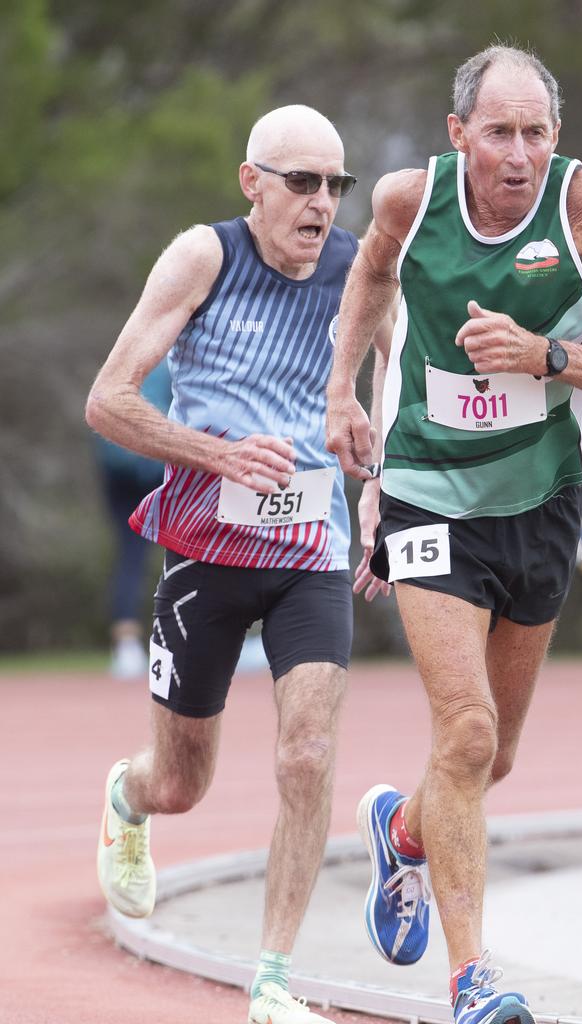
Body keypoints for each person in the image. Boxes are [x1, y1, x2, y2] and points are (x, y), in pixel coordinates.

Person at [326, 45, 582, 1024]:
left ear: (556, 138)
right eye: (499, 131)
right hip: (430, 491)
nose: (518, 153)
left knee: (492, 756)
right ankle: (475, 979)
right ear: (458, 132)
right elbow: (370, 281)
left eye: (536, 133)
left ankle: (406, 829)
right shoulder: (404, 201)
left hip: (543, 497)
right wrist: (341, 392)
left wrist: (544, 353)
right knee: (463, 730)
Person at [86, 104, 386, 1024]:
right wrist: (218, 454)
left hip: (311, 551)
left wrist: (375, 487)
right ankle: (126, 799)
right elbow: (108, 402)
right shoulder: (201, 258)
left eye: (337, 185)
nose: (323, 204)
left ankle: (273, 979)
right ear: (251, 183)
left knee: (308, 751)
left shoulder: (363, 269)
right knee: (184, 784)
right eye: (303, 182)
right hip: (206, 544)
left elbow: (396, 386)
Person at [92, 361, 172, 678]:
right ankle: (203, 639)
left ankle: (126, 647)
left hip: (115, 466)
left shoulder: (121, 354)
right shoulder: (176, 361)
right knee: (197, 545)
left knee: (130, 556)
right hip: (157, 462)